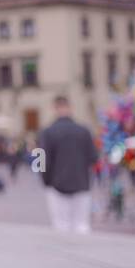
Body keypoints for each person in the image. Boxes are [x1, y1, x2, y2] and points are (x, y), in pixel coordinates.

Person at [37, 95, 98, 234]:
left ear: (55, 108)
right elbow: (94, 157)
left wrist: (45, 181)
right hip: (82, 183)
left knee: (60, 225)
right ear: (70, 108)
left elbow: (39, 159)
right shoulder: (84, 131)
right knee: (81, 225)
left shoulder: (46, 132)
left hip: (56, 184)